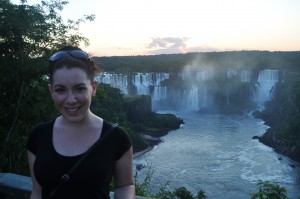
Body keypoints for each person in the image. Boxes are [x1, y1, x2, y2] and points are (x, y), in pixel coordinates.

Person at [27, 45, 135, 199]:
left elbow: (125, 186)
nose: (71, 100)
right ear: (51, 91)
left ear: (93, 88)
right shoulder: (38, 136)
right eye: (60, 90)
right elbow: (37, 191)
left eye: (79, 89)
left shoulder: (117, 138)